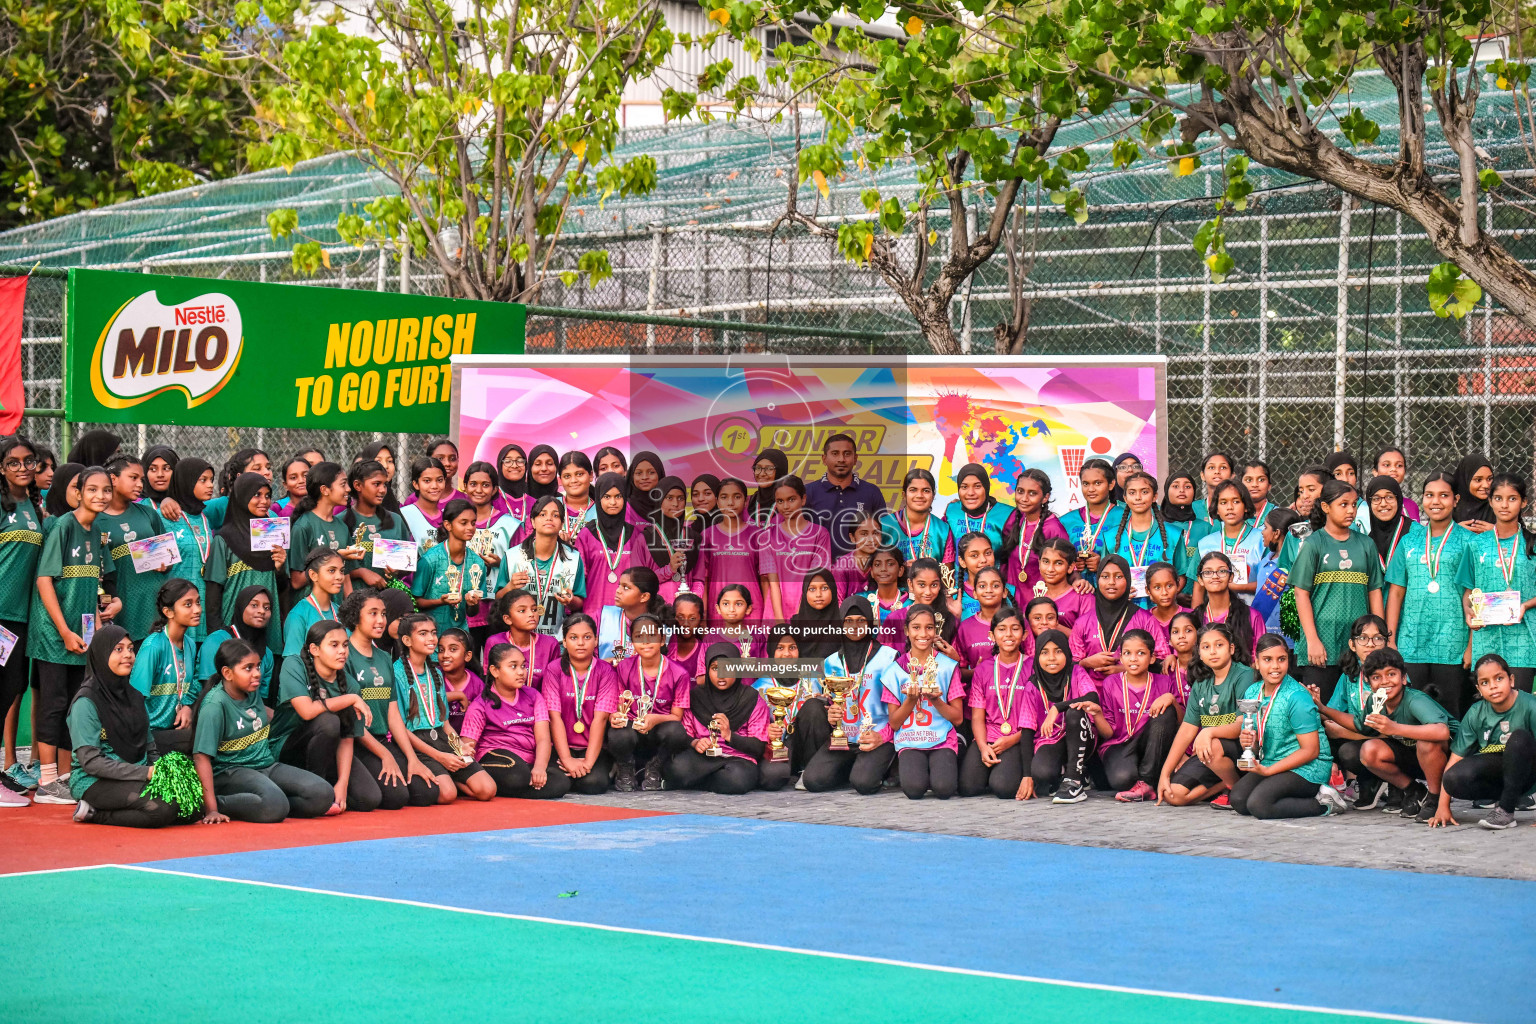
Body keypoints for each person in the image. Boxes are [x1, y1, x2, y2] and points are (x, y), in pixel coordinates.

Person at [29, 465, 121, 805]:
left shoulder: (98, 532)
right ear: (78, 493)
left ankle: (66, 777)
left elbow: (98, 586)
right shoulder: (63, 526)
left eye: (106, 490)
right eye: (93, 490)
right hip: (54, 633)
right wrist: (64, 630)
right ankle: (46, 781)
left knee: (72, 704)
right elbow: (43, 581)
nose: (100, 496)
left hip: (82, 634)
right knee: (52, 704)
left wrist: (103, 613)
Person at [190, 637, 335, 823]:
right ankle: (221, 803)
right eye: (248, 668)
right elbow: (201, 757)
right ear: (227, 673)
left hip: (266, 765)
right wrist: (212, 809)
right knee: (275, 804)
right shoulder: (215, 705)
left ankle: (268, 802)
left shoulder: (251, 690)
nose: (257, 673)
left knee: (322, 794)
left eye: (258, 666)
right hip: (232, 771)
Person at [66, 626, 188, 825]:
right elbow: (91, 762)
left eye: (131, 649)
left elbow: (150, 747)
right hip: (94, 781)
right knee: (162, 809)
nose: (128, 655)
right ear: (102, 653)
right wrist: (145, 773)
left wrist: (160, 772)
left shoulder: (134, 695)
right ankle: (93, 813)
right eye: (119, 649)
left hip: (136, 775)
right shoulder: (86, 702)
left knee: (190, 806)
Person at [267, 620, 378, 813]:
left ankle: (322, 793)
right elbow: (307, 711)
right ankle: (316, 793)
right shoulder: (294, 665)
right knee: (328, 721)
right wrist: (349, 699)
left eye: (345, 645)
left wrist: (342, 783)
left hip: (327, 750)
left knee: (369, 799)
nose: (342, 651)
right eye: (334, 645)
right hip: (286, 750)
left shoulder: (350, 684)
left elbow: (346, 738)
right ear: (314, 649)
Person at [1386, 471, 1473, 716]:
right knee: (1412, 710)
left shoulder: (1469, 541)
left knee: (1451, 711)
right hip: (1412, 641)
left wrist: (1471, 644)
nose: (1436, 502)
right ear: (1422, 499)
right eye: (1429, 495)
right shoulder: (1409, 541)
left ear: (1456, 499)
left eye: (1444, 495)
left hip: (1453, 643)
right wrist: (1392, 640)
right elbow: (1396, 592)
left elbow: (1473, 595)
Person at [341, 587, 437, 809]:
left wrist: (411, 758)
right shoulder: (344, 656)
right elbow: (351, 719)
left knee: (426, 792)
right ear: (355, 617)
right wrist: (385, 755)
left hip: (382, 740)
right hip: (356, 742)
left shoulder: (385, 657)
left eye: (383, 614)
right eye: (373, 613)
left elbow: (393, 714)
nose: (381, 620)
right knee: (394, 798)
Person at [1336, 647, 1457, 823]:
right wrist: (1322, 709)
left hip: (1450, 760)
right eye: (1377, 677)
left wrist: (1394, 728)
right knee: (1369, 751)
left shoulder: (1415, 699)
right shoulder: (1376, 701)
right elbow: (1360, 725)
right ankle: (1414, 790)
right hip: (1415, 757)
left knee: (1427, 741)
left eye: (1391, 674)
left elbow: (1442, 731)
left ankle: (1434, 797)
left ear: (1403, 678)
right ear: (1370, 683)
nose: (1385, 682)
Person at [1231, 634, 1345, 819]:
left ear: (1288, 661)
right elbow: (1255, 745)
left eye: (1281, 659)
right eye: (1267, 660)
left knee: (1260, 805)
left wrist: (1268, 771)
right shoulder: (1252, 692)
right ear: (1256, 662)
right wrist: (1248, 743)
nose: (1275, 666)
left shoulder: (1297, 696)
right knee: (1238, 800)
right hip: (1273, 762)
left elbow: (1311, 751)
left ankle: (1324, 803)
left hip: (1308, 767)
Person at [1292, 478, 1384, 702]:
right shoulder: (1314, 544)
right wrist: (1312, 640)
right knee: (1320, 709)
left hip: (1360, 643)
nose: (1350, 510)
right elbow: (1300, 593)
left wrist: (1380, 638)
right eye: (1343, 504)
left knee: (1360, 705)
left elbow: (1374, 591)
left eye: (1354, 504)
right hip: (1322, 643)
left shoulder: (1366, 544)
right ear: (1325, 507)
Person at [394, 612, 496, 802]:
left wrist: (460, 746)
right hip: (418, 742)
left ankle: (451, 775)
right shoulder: (396, 673)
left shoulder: (436, 673)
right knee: (446, 794)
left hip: (442, 737)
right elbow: (400, 727)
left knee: (487, 789)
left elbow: (445, 722)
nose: (431, 639)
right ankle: (450, 778)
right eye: (423, 634)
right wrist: (440, 757)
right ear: (407, 640)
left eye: (433, 633)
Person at [801, 596, 898, 793]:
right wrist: (830, 716)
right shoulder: (830, 663)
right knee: (812, 781)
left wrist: (883, 737)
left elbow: (903, 708)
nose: (855, 626)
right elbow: (829, 702)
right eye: (849, 621)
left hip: (878, 737)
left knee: (864, 784)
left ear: (870, 623)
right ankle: (851, 769)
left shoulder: (888, 657)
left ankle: (885, 766)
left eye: (861, 621)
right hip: (843, 739)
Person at [1433, 653, 1536, 830]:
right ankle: (1505, 798)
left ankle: (1505, 811)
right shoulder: (1476, 712)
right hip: (1499, 770)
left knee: (1518, 739)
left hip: (1529, 771)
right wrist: (1442, 806)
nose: (1493, 686)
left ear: (1511, 680)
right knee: (1452, 778)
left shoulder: (1530, 705)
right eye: (1485, 682)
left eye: (1499, 678)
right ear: (1479, 689)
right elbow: (1455, 758)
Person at [1156, 623, 1254, 807]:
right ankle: (1227, 785)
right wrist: (1165, 773)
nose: (1213, 652)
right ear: (1199, 653)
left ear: (1231, 648)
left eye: (1219, 645)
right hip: (1211, 754)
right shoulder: (1201, 683)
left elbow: (1244, 723)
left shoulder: (1244, 676)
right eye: (1206, 647)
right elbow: (1187, 729)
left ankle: (1236, 789)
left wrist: (1208, 732)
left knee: (1213, 746)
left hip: (1241, 748)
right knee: (1173, 795)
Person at [1455, 474, 1536, 692]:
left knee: (1521, 703)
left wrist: (1525, 606)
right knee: (1490, 705)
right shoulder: (1476, 544)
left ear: (1524, 502)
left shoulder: (1532, 544)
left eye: (1512, 498)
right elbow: (1469, 590)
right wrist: (1468, 612)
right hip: (1487, 639)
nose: (1505, 505)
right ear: (1490, 501)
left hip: (1524, 640)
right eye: (1498, 498)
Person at [463, 643, 570, 799]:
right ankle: (498, 784)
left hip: (528, 763)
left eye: (523, 666)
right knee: (517, 775)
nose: (521, 672)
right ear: (494, 671)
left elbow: (543, 738)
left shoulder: (533, 696)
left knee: (562, 782)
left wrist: (539, 768)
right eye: (513, 667)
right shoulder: (480, 705)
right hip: (497, 758)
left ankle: (509, 787)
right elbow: (466, 747)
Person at [880, 604, 965, 799]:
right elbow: (894, 723)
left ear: (936, 630)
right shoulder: (894, 671)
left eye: (929, 627)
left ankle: (958, 748)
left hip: (941, 739)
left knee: (944, 789)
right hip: (910, 740)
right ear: (906, 631)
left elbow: (958, 718)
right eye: (916, 627)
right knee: (914, 790)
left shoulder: (947, 667)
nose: (923, 633)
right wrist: (910, 700)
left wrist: (936, 700)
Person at [665, 642, 771, 793]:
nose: (721, 675)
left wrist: (729, 735)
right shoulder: (696, 697)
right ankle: (712, 779)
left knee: (736, 779)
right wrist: (695, 742)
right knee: (676, 769)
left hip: (738, 759)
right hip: (704, 758)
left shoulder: (751, 699)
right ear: (707, 670)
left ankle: (696, 781)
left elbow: (758, 747)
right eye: (715, 668)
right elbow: (684, 736)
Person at [0, 435, 44, 785]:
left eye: (28, 460)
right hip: (0, 612)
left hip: (22, 616)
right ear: (1, 468)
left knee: (13, 686)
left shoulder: (33, 505)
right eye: (13, 462)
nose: (22, 468)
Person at [607, 613, 692, 791]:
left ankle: (655, 766)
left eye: (651, 636)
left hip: (659, 730)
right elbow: (619, 707)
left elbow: (677, 716)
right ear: (632, 642)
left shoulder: (679, 673)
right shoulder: (623, 668)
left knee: (677, 732)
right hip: (632, 729)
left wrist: (654, 719)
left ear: (662, 640)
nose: (645, 642)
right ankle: (626, 767)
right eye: (639, 637)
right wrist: (614, 716)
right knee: (617, 732)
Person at [1092, 629, 1179, 802]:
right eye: (1127, 653)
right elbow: (1109, 733)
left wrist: (1172, 700)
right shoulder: (1111, 682)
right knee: (1122, 779)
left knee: (1167, 710)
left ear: (1152, 658)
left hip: (1152, 742)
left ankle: (1146, 782)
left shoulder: (1164, 682)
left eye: (1140, 653)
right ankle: (1145, 777)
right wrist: (1098, 714)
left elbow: (1180, 721)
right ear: (1121, 658)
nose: (1133, 659)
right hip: (1120, 743)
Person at [202, 472, 285, 653]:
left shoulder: (274, 535)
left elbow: (282, 587)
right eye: (257, 495)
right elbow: (214, 589)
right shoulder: (224, 538)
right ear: (241, 496)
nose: (264, 501)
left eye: (268, 496)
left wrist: (279, 568)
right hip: (232, 623)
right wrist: (217, 632)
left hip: (266, 623)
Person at [1016, 628, 1099, 802]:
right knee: (1042, 773)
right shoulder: (1033, 684)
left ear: (1067, 653)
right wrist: (1027, 775)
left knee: (1074, 712)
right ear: (1037, 657)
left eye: (1058, 651)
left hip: (1082, 736)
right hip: (1051, 738)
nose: (1052, 658)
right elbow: (1027, 730)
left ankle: (1074, 781)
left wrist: (1057, 708)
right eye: (1045, 652)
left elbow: (1092, 697)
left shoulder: (1076, 671)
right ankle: (1064, 773)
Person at [1317, 614, 1392, 807]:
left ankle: (1390, 782)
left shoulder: (1394, 676)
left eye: (1377, 638)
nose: (1370, 644)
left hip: (1390, 743)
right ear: (1352, 644)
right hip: (1363, 737)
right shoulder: (1349, 676)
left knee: (1348, 751)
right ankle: (1360, 782)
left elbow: (1390, 732)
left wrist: (1342, 731)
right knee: (1321, 729)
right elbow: (1331, 713)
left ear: (1386, 642)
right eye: (1363, 638)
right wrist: (1309, 702)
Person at [542, 612, 619, 794]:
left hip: (591, 748)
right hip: (562, 747)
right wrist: (567, 759)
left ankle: (603, 767)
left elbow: (600, 719)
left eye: (587, 637)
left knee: (593, 784)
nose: (581, 643)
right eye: (574, 637)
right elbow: (554, 717)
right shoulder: (553, 669)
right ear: (565, 642)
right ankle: (572, 769)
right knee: (557, 782)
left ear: (595, 640)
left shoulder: (605, 671)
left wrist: (588, 762)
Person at [959, 606, 1030, 798]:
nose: (1008, 634)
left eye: (1015, 629)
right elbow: (977, 716)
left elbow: (1038, 717)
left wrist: (1012, 740)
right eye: (1001, 629)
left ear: (1024, 635)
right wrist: (982, 746)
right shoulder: (983, 669)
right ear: (992, 635)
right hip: (989, 736)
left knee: (1003, 789)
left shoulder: (1032, 667)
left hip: (1018, 737)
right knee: (968, 788)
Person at [99, 453, 170, 643]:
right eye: (133, 478)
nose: (140, 484)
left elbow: (168, 558)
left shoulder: (148, 514)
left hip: (151, 605)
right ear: (113, 479)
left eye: (142, 480)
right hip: (120, 605)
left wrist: (164, 564)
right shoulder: (95, 519)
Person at [129, 577, 202, 754]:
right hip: (149, 735)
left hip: (174, 731)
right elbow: (135, 699)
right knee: (201, 738)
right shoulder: (153, 646)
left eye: (198, 602)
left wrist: (186, 706)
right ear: (168, 612)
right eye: (188, 604)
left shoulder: (190, 644)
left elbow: (195, 684)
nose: (197, 609)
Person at [576, 473, 663, 619]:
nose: (613, 502)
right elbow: (579, 582)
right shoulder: (586, 535)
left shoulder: (636, 535)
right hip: (594, 616)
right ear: (598, 498)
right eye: (607, 497)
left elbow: (644, 578)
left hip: (630, 617)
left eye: (618, 496)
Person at [499, 496, 585, 636]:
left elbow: (579, 602)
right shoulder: (512, 556)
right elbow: (499, 597)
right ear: (532, 521)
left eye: (555, 515)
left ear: (562, 523)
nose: (549, 518)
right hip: (520, 638)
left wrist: (570, 601)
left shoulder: (573, 558)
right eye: (542, 514)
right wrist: (510, 587)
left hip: (556, 638)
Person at [1070, 554, 1160, 684]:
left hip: (1134, 696)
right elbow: (1071, 666)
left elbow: (1161, 660)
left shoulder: (1145, 620)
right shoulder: (1082, 622)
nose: (1111, 582)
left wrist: (1127, 668)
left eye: (1118, 576)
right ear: (1097, 580)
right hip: (1092, 696)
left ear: (1128, 580)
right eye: (1105, 576)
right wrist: (1085, 662)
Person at [1102, 471, 1185, 607]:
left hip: (1161, 612)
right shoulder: (1111, 537)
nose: (1138, 497)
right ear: (1125, 497)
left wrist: (1162, 596)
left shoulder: (1173, 534)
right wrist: (1118, 594)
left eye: (1144, 492)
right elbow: (1105, 577)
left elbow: (1181, 576)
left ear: (1154, 496)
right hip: (1123, 610)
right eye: (1132, 492)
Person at [697, 479, 768, 628]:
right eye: (724, 497)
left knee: (750, 651)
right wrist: (703, 617)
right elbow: (704, 580)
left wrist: (768, 615)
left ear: (746, 500)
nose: (730, 502)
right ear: (717, 501)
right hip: (718, 610)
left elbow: (765, 579)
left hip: (751, 610)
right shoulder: (707, 535)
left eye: (737, 496)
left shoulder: (758, 535)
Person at [762, 475, 833, 623]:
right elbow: (773, 583)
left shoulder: (819, 534)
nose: (786, 506)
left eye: (791, 499)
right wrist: (780, 622)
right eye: (780, 501)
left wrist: (799, 618)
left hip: (808, 611)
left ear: (803, 499)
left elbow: (814, 581)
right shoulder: (767, 536)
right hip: (775, 613)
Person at [805, 432, 887, 557]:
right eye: (835, 453)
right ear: (824, 459)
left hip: (862, 570)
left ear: (855, 459)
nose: (841, 459)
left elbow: (883, 534)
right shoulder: (808, 492)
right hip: (820, 571)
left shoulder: (871, 491)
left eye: (847, 454)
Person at [161, 457, 215, 645]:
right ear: (186, 481)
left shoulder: (204, 517)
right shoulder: (165, 516)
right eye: (203, 480)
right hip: (175, 604)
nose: (210, 485)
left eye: (211, 480)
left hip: (201, 603)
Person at [413, 499, 488, 635]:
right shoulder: (430, 560)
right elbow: (415, 602)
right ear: (448, 525)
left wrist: (472, 603)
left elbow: (472, 613)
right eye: (463, 523)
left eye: (473, 523)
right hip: (430, 635)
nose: (471, 528)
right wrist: (440, 601)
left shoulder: (477, 563)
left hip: (459, 635)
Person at [339, 460, 410, 593]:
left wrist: (397, 570)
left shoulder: (396, 520)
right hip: (354, 598)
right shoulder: (340, 522)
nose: (383, 490)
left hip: (388, 598)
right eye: (376, 484)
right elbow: (333, 565)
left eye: (385, 484)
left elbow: (407, 562)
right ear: (358, 485)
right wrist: (360, 572)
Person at [197, 585, 275, 701]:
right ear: (241, 607)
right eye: (254, 605)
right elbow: (208, 689)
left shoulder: (267, 654)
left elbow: (260, 699)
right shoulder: (216, 641)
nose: (261, 611)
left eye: (267, 608)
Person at [1001, 469, 1069, 598]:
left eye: (1032, 493)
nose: (1024, 498)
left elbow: (1066, 569)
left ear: (1045, 498)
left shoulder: (1053, 528)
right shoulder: (1014, 519)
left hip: (1040, 603)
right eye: (1020, 491)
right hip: (1012, 600)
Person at [1192, 552, 1265, 663]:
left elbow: (1262, 656)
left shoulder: (1252, 616)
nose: (1215, 576)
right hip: (1204, 677)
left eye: (1222, 571)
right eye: (1208, 572)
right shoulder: (1195, 618)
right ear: (1200, 580)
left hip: (1244, 678)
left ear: (1231, 577)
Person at [1059, 459, 1122, 583]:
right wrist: (1072, 564)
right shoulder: (1066, 521)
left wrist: (1104, 563)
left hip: (1112, 591)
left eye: (1098, 483)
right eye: (1086, 484)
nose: (1091, 489)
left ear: (1111, 484)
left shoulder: (1125, 517)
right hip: (1077, 591)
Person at [883, 468, 956, 566]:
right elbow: (874, 567)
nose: (919, 495)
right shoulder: (884, 525)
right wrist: (900, 570)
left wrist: (933, 569)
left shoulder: (943, 530)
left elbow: (948, 574)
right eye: (913, 490)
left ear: (933, 495)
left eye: (926, 491)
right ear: (904, 495)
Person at [282, 548, 345, 657]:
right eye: (332, 570)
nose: (339, 577)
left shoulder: (341, 613)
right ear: (313, 575)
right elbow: (293, 664)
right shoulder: (298, 615)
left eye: (342, 571)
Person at [943, 464, 1012, 563]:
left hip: (994, 576)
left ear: (986, 488)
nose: (970, 492)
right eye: (964, 487)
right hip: (960, 578)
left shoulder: (1007, 515)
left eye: (977, 486)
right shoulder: (952, 511)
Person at [438, 627, 482, 732]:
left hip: (466, 740)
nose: (445, 655)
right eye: (441, 650)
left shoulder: (477, 685)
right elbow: (425, 700)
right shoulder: (433, 676)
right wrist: (458, 695)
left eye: (453, 649)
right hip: (436, 739)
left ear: (467, 656)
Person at [401, 457, 448, 550]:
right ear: (416, 484)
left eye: (439, 480)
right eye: (427, 481)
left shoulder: (448, 516)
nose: (434, 486)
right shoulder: (404, 515)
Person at [1451, 454, 1495, 532]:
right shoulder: (1449, 508)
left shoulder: (1500, 506)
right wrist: (1453, 532)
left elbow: (1520, 537)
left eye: (1489, 479)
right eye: (1478, 480)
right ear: (1465, 480)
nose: (1486, 485)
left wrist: (1498, 532)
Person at [746, 448, 788, 526]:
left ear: (780, 472)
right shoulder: (746, 502)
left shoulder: (789, 505)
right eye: (758, 468)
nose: (762, 474)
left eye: (769, 469)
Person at [1191, 451, 1234, 523]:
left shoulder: (1239, 508)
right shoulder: (1193, 508)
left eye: (1223, 467)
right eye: (1211, 467)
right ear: (1202, 475)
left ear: (1232, 476)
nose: (1217, 471)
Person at [493, 444, 531, 519]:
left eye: (520, 461)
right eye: (508, 461)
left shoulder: (533, 498)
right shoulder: (492, 497)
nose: (514, 466)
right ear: (500, 466)